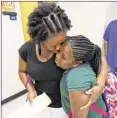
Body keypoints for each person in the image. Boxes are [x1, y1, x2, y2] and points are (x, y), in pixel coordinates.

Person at [18, 2, 108, 118]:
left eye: (62, 41)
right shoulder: (26, 50)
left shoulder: (68, 47)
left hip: (64, 107)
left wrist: (100, 85)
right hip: (40, 102)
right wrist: (30, 89)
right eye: (54, 45)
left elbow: (100, 58)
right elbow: (22, 71)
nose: (59, 48)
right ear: (38, 39)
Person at [55, 35, 108, 118]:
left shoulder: (77, 77)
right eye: (58, 51)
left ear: (77, 63)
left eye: (63, 57)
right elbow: (102, 59)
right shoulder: (78, 54)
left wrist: (100, 84)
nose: (57, 57)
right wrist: (100, 83)